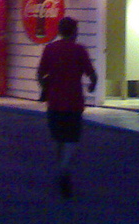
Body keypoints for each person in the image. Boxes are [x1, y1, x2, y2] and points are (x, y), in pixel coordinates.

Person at [36, 16, 97, 198]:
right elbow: (92, 75)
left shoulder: (50, 49)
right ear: (74, 31)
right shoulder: (79, 50)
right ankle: (64, 168)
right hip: (74, 102)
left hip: (54, 103)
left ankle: (61, 167)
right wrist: (93, 85)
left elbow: (40, 73)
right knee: (72, 139)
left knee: (59, 138)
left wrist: (45, 88)